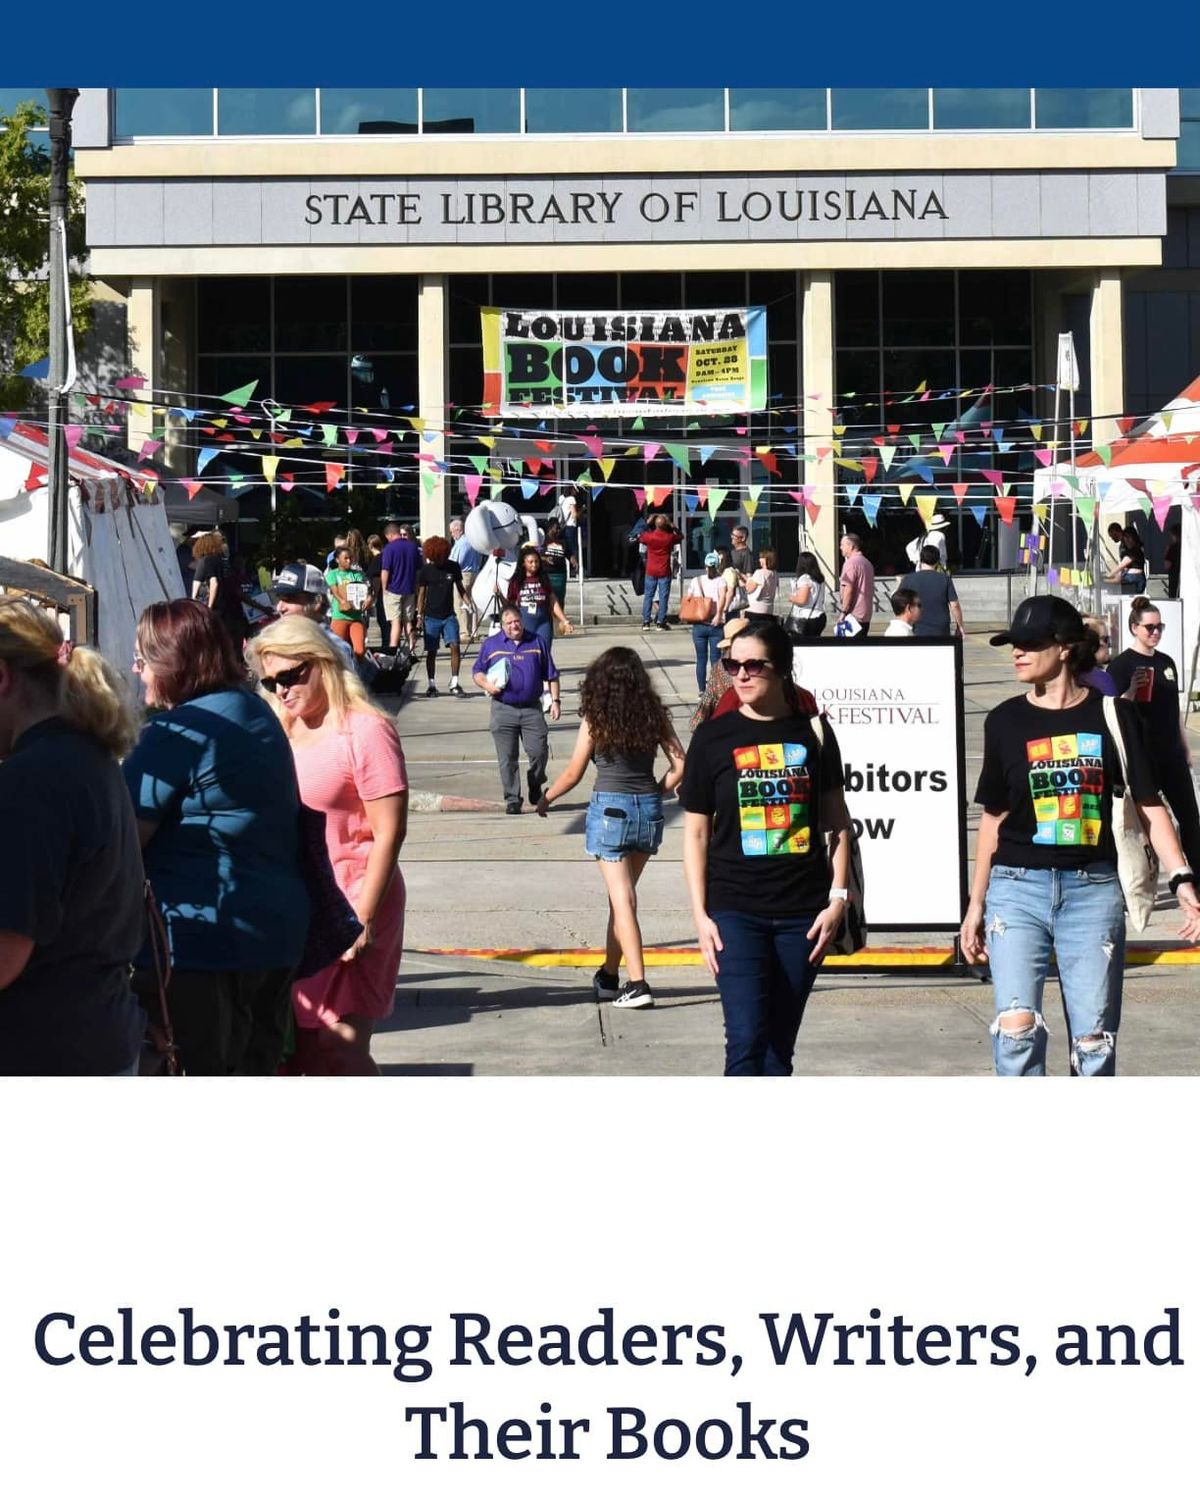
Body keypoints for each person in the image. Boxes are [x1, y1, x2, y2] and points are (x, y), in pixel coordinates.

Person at [959, 595, 1200, 1077]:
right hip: (1017, 887)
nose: (1017, 654)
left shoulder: (1113, 716)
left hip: (1092, 892)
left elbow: (1149, 805)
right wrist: (975, 904)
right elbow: (993, 818)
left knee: (1093, 1044)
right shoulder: (1004, 720)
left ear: (1065, 649)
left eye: (1029, 644)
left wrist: (1183, 879)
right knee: (1016, 1029)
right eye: (1013, 645)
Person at [124, 600, 309, 1075]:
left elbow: (121, 841)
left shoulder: (178, 730)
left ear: (172, 663)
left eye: (144, 661)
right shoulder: (252, 710)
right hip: (273, 935)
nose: (136, 671)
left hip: (203, 944)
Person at [680, 618, 853, 1076]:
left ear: (783, 669)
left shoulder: (813, 735)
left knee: (779, 1051)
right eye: (732, 664)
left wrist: (838, 899)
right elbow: (696, 833)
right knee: (745, 1043)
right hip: (735, 910)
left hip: (804, 913)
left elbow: (838, 825)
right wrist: (700, 916)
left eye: (754, 665)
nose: (741, 674)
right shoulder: (712, 738)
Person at [249, 616, 409, 1076]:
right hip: (295, 911)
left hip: (352, 903)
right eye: (270, 680)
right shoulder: (280, 729)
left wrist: (363, 917)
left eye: (291, 675)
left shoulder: (365, 730)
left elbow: (390, 832)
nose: (281, 689)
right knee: (292, 1054)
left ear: (322, 662)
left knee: (337, 1050)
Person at [0, 599, 146, 1076]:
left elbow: (6, 954)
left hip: (46, 1049)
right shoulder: (84, 754)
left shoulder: (31, 780)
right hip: (91, 1037)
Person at [536, 647, 686, 1010]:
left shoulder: (596, 717)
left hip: (610, 812)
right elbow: (681, 764)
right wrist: (655, 791)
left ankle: (638, 982)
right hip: (648, 809)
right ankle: (609, 975)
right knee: (620, 899)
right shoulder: (655, 715)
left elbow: (574, 773)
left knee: (623, 899)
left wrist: (546, 798)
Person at [1108, 597, 1200, 872]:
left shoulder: (1166, 662)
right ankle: (1133, 884)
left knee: (1190, 819)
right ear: (1134, 627)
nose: (1156, 632)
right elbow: (1113, 712)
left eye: (1160, 626)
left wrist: (1185, 749)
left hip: (1170, 753)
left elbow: (1174, 712)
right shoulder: (1122, 666)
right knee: (1138, 826)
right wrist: (1132, 691)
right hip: (1141, 756)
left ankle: (1196, 879)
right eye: (1150, 627)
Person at [472, 603, 561, 814]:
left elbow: (552, 675)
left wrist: (555, 701)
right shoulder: (491, 645)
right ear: (502, 626)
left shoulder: (536, 642)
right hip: (503, 709)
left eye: (517, 622)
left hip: (532, 708)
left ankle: (535, 782)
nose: (514, 626)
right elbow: (477, 672)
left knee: (539, 752)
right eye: (509, 623)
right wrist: (487, 685)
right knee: (507, 757)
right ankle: (512, 798)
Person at [272, 562, 354, 666]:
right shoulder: (278, 642)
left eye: (289, 599)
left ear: (316, 602)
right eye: (279, 599)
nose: (280, 608)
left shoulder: (333, 650)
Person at [415, 534, 466, 698]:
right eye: (437, 558)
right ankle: (431, 684)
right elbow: (422, 593)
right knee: (432, 651)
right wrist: (419, 614)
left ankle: (455, 681)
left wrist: (468, 602)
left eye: (443, 557)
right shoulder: (426, 571)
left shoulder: (453, 567)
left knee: (455, 646)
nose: (440, 561)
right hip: (431, 616)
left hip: (449, 615)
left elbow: (460, 588)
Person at [191, 529, 248, 649]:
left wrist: (208, 606)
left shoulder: (206, 561)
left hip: (218, 608)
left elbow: (212, 582)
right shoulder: (222, 561)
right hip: (231, 607)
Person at [506, 544, 573, 645]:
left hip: (543, 621)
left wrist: (564, 621)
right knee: (527, 653)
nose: (534, 564)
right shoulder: (516, 581)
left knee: (544, 652)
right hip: (525, 621)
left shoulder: (543, 578)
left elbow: (553, 601)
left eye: (536, 561)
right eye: (531, 562)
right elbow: (510, 604)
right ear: (523, 563)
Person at [684, 551, 731, 695]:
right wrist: (719, 614)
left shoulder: (696, 580)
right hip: (715, 623)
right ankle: (715, 689)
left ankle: (701, 690)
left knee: (701, 659)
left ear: (705, 565)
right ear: (717, 565)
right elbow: (723, 597)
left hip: (699, 623)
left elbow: (689, 598)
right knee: (716, 659)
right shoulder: (721, 581)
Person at [898, 545, 964, 636]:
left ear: (921, 559)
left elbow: (899, 601)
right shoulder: (945, 579)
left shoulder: (908, 579)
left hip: (916, 626)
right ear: (937, 560)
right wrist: (960, 626)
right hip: (941, 628)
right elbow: (954, 605)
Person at [380, 522, 423, 652]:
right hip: (409, 588)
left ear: (390, 535)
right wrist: (416, 587)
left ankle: (393, 649)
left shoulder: (389, 548)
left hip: (393, 589)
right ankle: (411, 648)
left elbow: (385, 570)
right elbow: (418, 570)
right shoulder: (413, 547)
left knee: (395, 621)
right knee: (408, 620)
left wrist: (384, 588)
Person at [324, 543, 372, 658]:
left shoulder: (357, 574)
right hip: (340, 616)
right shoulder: (333, 574)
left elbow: (364, 589)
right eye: (345, 558)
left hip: (356, 617)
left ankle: (359, 671)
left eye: (350, 558)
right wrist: (341, 601)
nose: (349, 561)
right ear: (337, 560)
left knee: (360, 650)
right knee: (337, 651)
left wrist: (369, 598)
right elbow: (334, 591)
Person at [640, 513, 682, 631]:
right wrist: (672, 526)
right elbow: (681, 537)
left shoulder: (650, 536)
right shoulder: (669, 537)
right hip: (664, 570)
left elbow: (640, 536)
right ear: (665, 525)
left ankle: (646, 622)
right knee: (663, 597)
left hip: (651, 569)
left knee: (648, 596)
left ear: (655, 525)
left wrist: (647, 523)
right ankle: (660, 622)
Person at [449, 516, 483, 641]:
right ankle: (473, 630)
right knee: (471, 603)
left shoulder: (462, 543)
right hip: (474, 573)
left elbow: (458, 562)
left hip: (463, 574)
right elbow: (479, 558)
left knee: (461, 604)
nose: (452, 534)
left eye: (452, 531)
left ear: (458, 529)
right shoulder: (472, 541)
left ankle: (464, 632)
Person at [838, 532, 875, 638]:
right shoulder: (867, 563)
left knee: (848, 650)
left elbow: (848, 589)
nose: (841, 548)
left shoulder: (850, 564)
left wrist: (844, 612)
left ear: (851, 546)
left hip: (853, 616)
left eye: (842, 545)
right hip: (866, 615)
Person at [787, 551, 827, 638]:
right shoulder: (819, 578)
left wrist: (791, 598)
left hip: (807, 617)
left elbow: (802, 600)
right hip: (819, 614)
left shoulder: (805, 579)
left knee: (804, 644)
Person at [1079, 614, 1118, 695]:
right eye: (1105, 639)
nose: (1108, 644)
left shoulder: (1068, 676)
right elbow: (1112, 706)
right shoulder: (1101, 679)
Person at [1106, 522, 1146, 593]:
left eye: (1127, 538)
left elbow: (1123, 564)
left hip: (1134, 578)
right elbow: (1123, 566)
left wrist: (1110, 575)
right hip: (1129, 576)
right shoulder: (1124, 546)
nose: (1126, 540)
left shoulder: (1134, 550)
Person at [542, 518, 570, 608]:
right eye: (556, 528)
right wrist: (545, 559)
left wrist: (573, 559)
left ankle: (560, 619)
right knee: (547, 598)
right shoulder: (543, 541)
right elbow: (536, 554)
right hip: (547, 574)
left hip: (561, 574)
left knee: (560, 598)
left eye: (559, 528)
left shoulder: (562, 541)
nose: (558, 530)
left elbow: (568, 553)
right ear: (550, 528)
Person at [365, 533, 387, 645]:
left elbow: (376, 579)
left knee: (382, 620)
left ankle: (386, 645)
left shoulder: (376, 560)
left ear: (370, 545)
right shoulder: (385, 557)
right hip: (386, 592)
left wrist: (373, 595)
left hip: (380, 594)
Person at [746, 548, 779, 617]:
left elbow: (749, 588)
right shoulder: (774, 573)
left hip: (756, 610)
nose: (759, 560)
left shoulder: (760, 573)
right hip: (768, 609)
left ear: (766, 559)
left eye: (761, 558)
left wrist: (747, 580)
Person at [1163, 517, 1182, 599]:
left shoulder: (1172, 548)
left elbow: (1167, 565)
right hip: (1187, 578)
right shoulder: (1188, 547)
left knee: (1174, 600)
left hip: (1175, 578)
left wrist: (1166, 552)